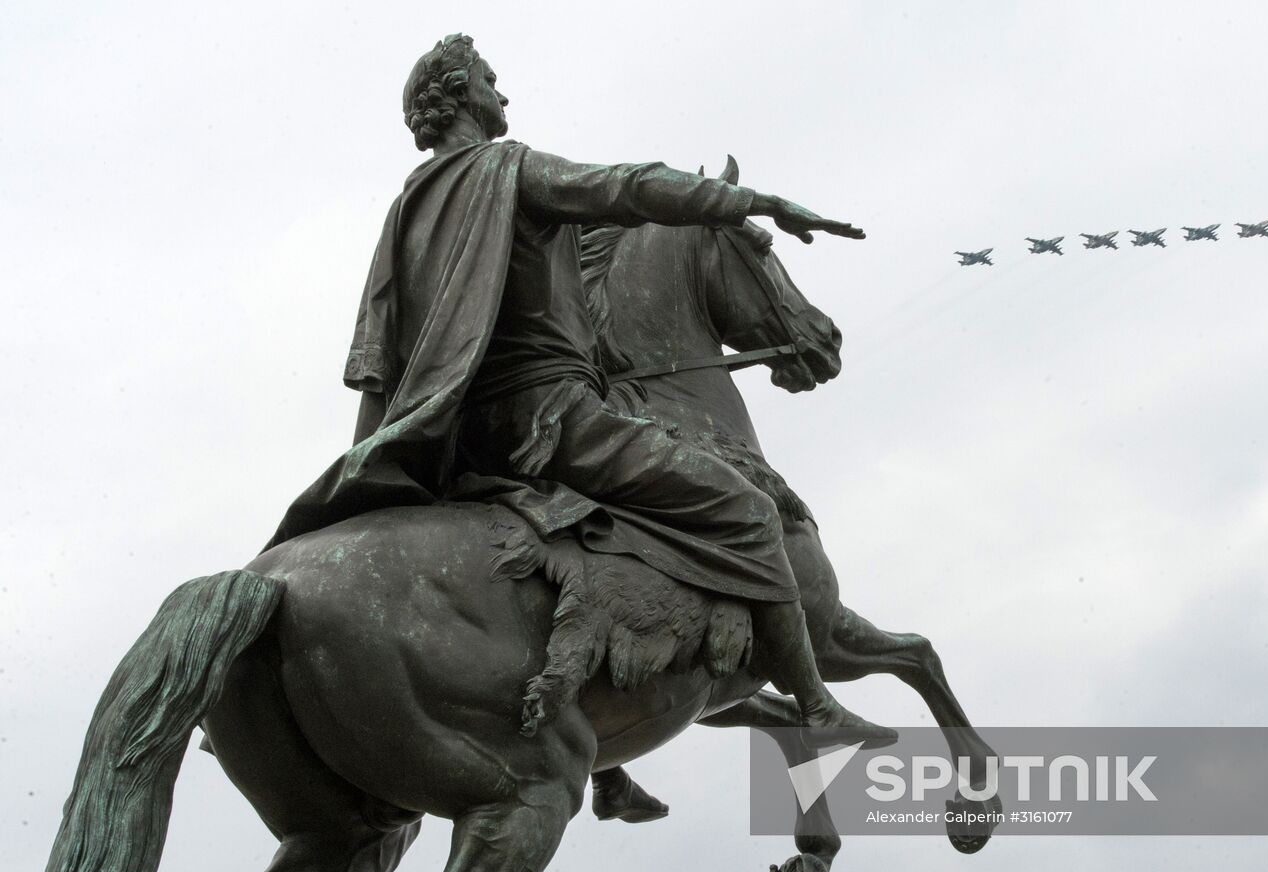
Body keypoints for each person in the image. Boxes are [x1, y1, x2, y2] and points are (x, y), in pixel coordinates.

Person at [270, 33, 893, 744]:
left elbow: (376, 358)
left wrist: (369, 469)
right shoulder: (507, 170)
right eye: (490, 81)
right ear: (458, 96)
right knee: (749, 511)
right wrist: (741, 203)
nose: (501, 95)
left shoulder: (405, 213)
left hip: (463, 441)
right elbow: (625, 189)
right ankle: (814, 704)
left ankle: (615, 759)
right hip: (553, 419)